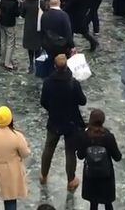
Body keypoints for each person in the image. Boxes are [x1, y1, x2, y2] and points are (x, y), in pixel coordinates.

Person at [39, 54, 85, 190]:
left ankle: (43, 175)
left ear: (54, 66)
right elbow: (83, 101)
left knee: (48, 148)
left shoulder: (48, 82)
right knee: (70, 152)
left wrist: (52, 109)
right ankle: (71, 180)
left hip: (54, 120)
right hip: (71, 122)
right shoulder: (73, 83)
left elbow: (43, 102)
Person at [76, 109, 121, 210]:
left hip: (90, 177)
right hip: (106, 177)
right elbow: (117, 157)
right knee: (108, 203)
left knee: (93, 204)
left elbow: (80, 155)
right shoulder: (108, 137)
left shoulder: (85, 136)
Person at [0, 0, 22, 70]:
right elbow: (17, 13)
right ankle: (8, 63)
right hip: (10, 24)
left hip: (1, 22)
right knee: (10, 43)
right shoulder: (14, 2)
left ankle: (3, 59)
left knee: (3, 41)